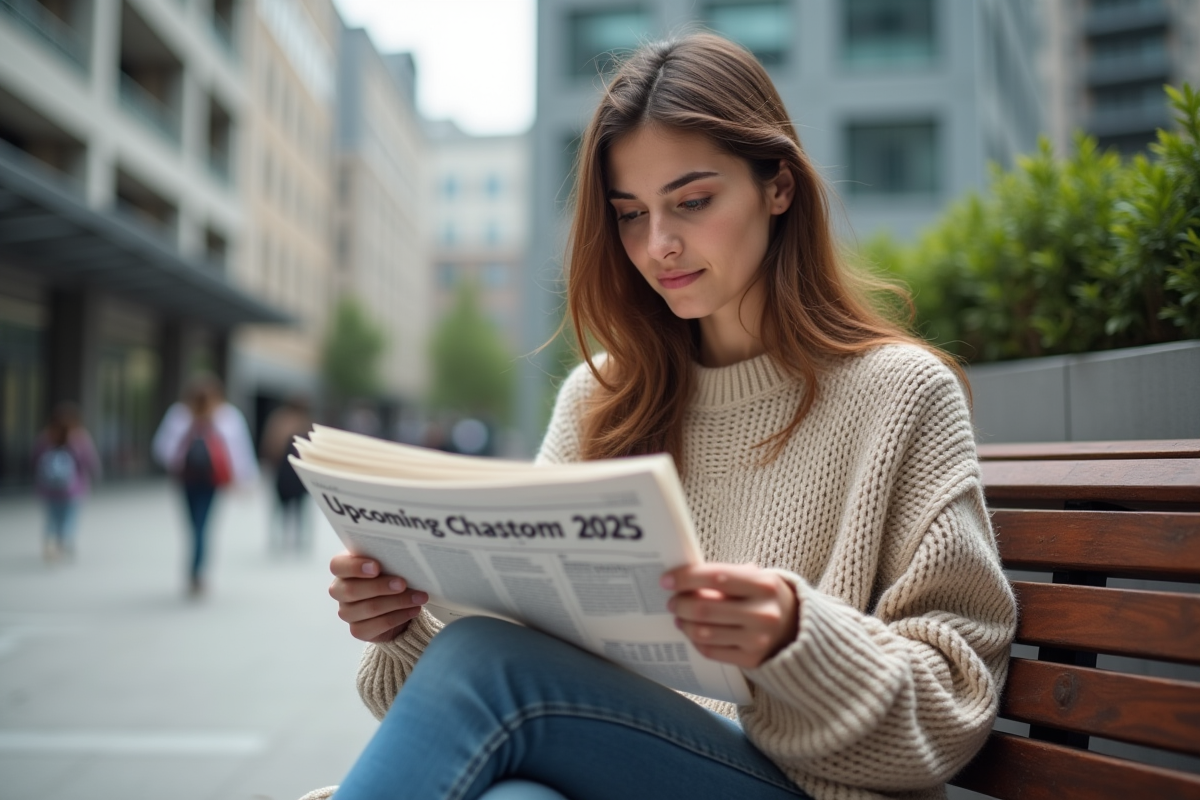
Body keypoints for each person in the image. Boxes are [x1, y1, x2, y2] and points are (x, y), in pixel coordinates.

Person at [318, 34, 1017, 800]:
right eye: (629, 215)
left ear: (778, 187)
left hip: (806, 785)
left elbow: (955, 702)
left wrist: (795, 638)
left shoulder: (901, 394)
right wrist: (400, 626)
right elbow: (496, 680)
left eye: (692, 201)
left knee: (486, 664)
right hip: (614, 765)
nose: (659, 246)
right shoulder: (600, 397)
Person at [152, 373, 258, 597]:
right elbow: (239, 451)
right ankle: (198, 572)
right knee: (203, 525)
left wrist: (178, 461)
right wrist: (245, 480)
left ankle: (195, 570)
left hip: (187, 480)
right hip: (211, 481)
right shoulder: (227, 416)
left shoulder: (179, 415)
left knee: (193, 525)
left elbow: (162, 449)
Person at [32, 402, 101, 562]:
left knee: (52, 517)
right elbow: (89, 461)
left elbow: (35, 460)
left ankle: (50, 542)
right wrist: (95, 475)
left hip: (48, 488)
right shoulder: (80, 438)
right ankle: (62, 543)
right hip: (73, 488)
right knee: (69, 517)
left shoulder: (45, 437)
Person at [260, 395, 313, 553]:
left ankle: (280, 537)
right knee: (299, 506)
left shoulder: (279, 419)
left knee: (281, 505)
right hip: (298, 471)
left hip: (284, 469)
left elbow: (270, 445)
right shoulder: (304, 422)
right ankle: (298, 538)